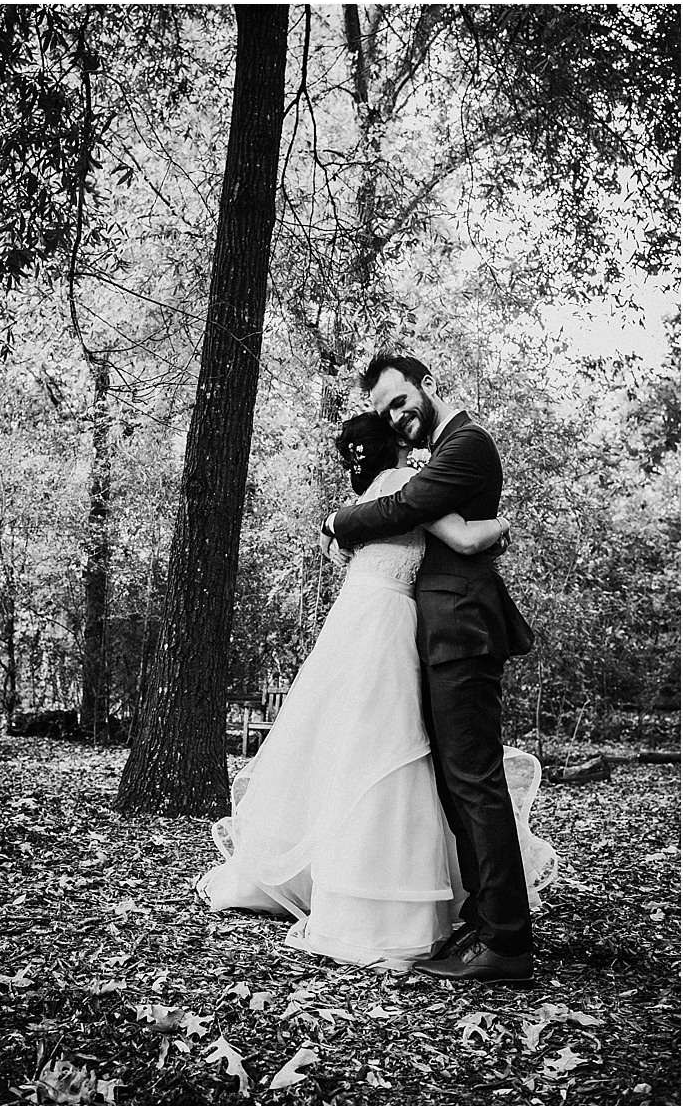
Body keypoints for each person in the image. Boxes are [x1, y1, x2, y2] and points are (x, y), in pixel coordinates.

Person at [199, 407, 556, 972]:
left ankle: (332, 879)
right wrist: (503, 527)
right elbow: (461, 537)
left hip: (357, 622)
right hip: (391, 626)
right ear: (396, 446)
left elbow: (361, 531)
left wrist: (335, 521)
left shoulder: (361, 501)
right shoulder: (402, 488)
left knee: (351, 751)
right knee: (391, 754)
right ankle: (386, 897)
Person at [318, 353, 548, 983]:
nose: (397, 416)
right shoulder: (443, 448)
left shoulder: (468, 444)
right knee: (456, 782)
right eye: (386, 410)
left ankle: (507, 941)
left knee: (474, 781)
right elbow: (433, 516)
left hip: (462, 632)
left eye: (401, 400)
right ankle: (486, 918)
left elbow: (405, 506)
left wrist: (338, 520)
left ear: (427, 385)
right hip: (441, 633)